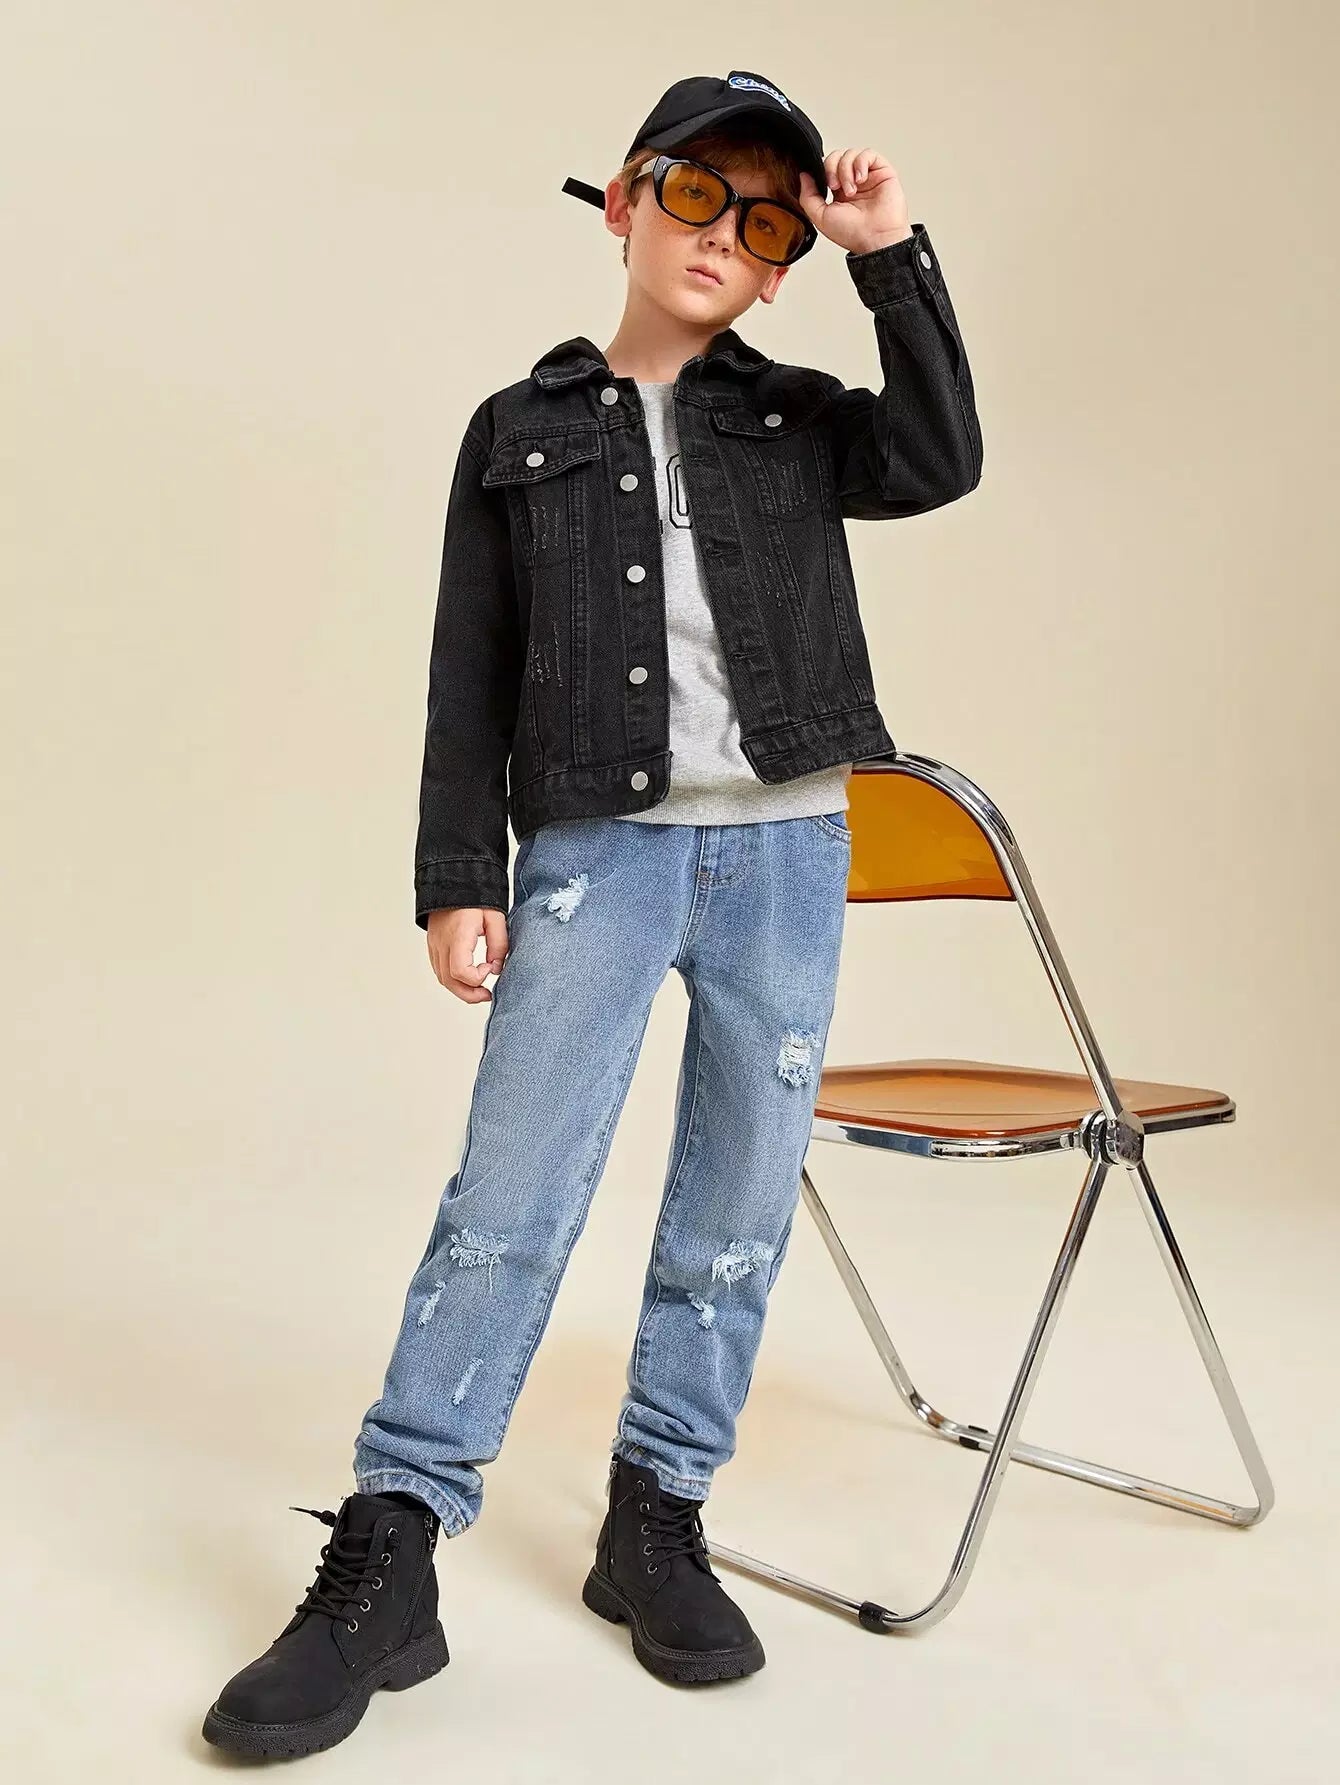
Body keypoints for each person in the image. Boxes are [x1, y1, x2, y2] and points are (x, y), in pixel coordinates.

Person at [202, 66, 982, 1759]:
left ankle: (658, 1513)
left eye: (762, 225)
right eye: (695, 196)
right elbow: (467, 670)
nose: (723, 237)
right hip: (595, 851)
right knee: (511, 1196)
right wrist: (456, 877)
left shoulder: (799, 417)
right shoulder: (518, 428)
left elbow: (941, 457)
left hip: (786, 849)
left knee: (738, 1197)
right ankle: (393, 1549)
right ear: (624, 201)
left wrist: (886, 256)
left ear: (779, 266)